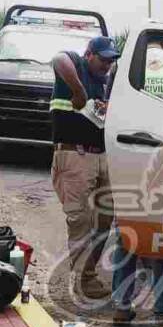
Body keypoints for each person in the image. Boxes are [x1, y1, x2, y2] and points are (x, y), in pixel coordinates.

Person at [109, 34, 163, 327]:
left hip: (129, 154)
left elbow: (110, 110)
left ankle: (121, 305)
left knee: (127, 232)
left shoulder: (123, 66)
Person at [49, 36, 121, 300]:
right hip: (74, 155)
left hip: (101, 156)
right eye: (103, 59)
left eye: (111, 61)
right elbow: (58, 59)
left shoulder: (106, 82)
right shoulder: (75, 65)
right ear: (89, 54)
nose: (107, 65)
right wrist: (78, 91)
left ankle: (87, 275)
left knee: (105, 218)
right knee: (81, 220)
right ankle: (80, 282)